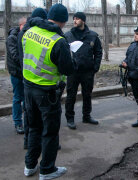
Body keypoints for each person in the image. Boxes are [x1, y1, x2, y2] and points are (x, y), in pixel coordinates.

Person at [22, 4, 75, 179]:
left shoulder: (29, 31)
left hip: (28, 88)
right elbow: (68, 69)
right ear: (63, 21)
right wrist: (71, 56)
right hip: (47, 93)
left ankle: (30, 166)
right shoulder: (58, 41)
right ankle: (47, 169)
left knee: (34, 128)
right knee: (50, 132)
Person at [65, 12, 102, 129]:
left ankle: (87, 116)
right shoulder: (68, 35)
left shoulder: (92, 36)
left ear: (83, 21)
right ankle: (70, 118)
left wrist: (95, 68)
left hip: (87, 71)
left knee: (87, 94)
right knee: (71, 95)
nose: (75, 20)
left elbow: (98, 52)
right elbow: (63, 53)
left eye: (77, 19)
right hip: (73, 72)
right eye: (74, 19)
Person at [17, 8, 47, 149]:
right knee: (31, 115)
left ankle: (28, 142)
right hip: (32, 79)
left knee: (30, 113)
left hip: (28, 77)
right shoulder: (30, 34)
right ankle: (31, 142)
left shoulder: (26, 32)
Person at [6, 17, 26, 134]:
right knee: (18, 97)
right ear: (20, 25)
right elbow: (15, 56)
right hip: (16, 73)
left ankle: (26, 121)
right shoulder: (12, 38)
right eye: (24, 26)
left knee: (25, 98)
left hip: (24, 72)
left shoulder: (25, 37)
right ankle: (18, 122)